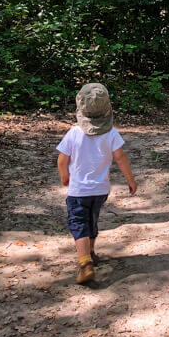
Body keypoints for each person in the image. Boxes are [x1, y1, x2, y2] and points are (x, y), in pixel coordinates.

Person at [57, 83, 137, 285]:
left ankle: (85, 264)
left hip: (78, 191)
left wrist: (64, 176)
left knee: (78, 224)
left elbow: (62, 159)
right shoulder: (111, 133)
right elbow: (120, 158)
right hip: (100, 190)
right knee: (92, 220)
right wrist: (130, 180)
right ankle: (91, 252)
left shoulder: (74, 133)